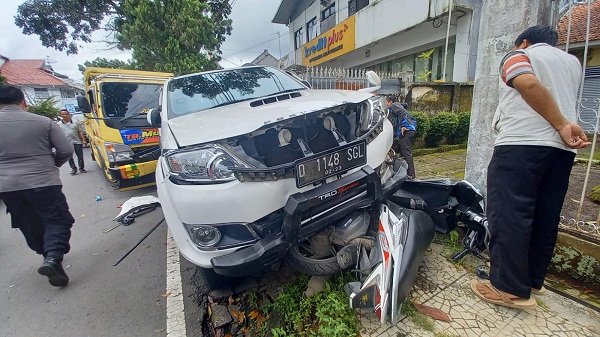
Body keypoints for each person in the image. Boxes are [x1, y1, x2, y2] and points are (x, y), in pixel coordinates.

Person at [471, 26, 591, 309]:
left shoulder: (518, 55)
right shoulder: (573, 63)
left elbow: (529, 84)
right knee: (544, 215)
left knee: (510, 213)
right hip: (561, 152)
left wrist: (560, 124)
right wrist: (563, 126)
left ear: (524, 41)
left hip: (521, 144)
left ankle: (509, 288)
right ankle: (534, 280)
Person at [0, 85, 76, 287]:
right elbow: (66, 150)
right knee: (57, 219)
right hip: (43, 182)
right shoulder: (43, 122)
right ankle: (53, 257)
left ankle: (45, 254)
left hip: (7, 187)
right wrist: (53, 165)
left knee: (28, 221)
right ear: (24, 102)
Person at [386, 96, 416, 179]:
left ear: (390, 102)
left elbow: (403, 113)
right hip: (408, 131)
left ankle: (411, 175)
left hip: (407, 130)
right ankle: (406, 172)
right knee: (403, 152)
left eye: (386, 102)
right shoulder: (396, 106)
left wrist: (403, 125)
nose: (386, 104)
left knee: (406, 152)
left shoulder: (394, 105)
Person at [59, 108, 87, 175]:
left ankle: (81, 168)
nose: (65, 115)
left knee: (80, 156)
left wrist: (83, 140)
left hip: (77, 141)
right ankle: (73, 169)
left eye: (66, 114)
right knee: (69, 157)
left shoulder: (76, 123)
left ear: (69, 114)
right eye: (63, 114)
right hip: (66, 143)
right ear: (60, 115)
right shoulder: (59, 124)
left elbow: (80, 131)